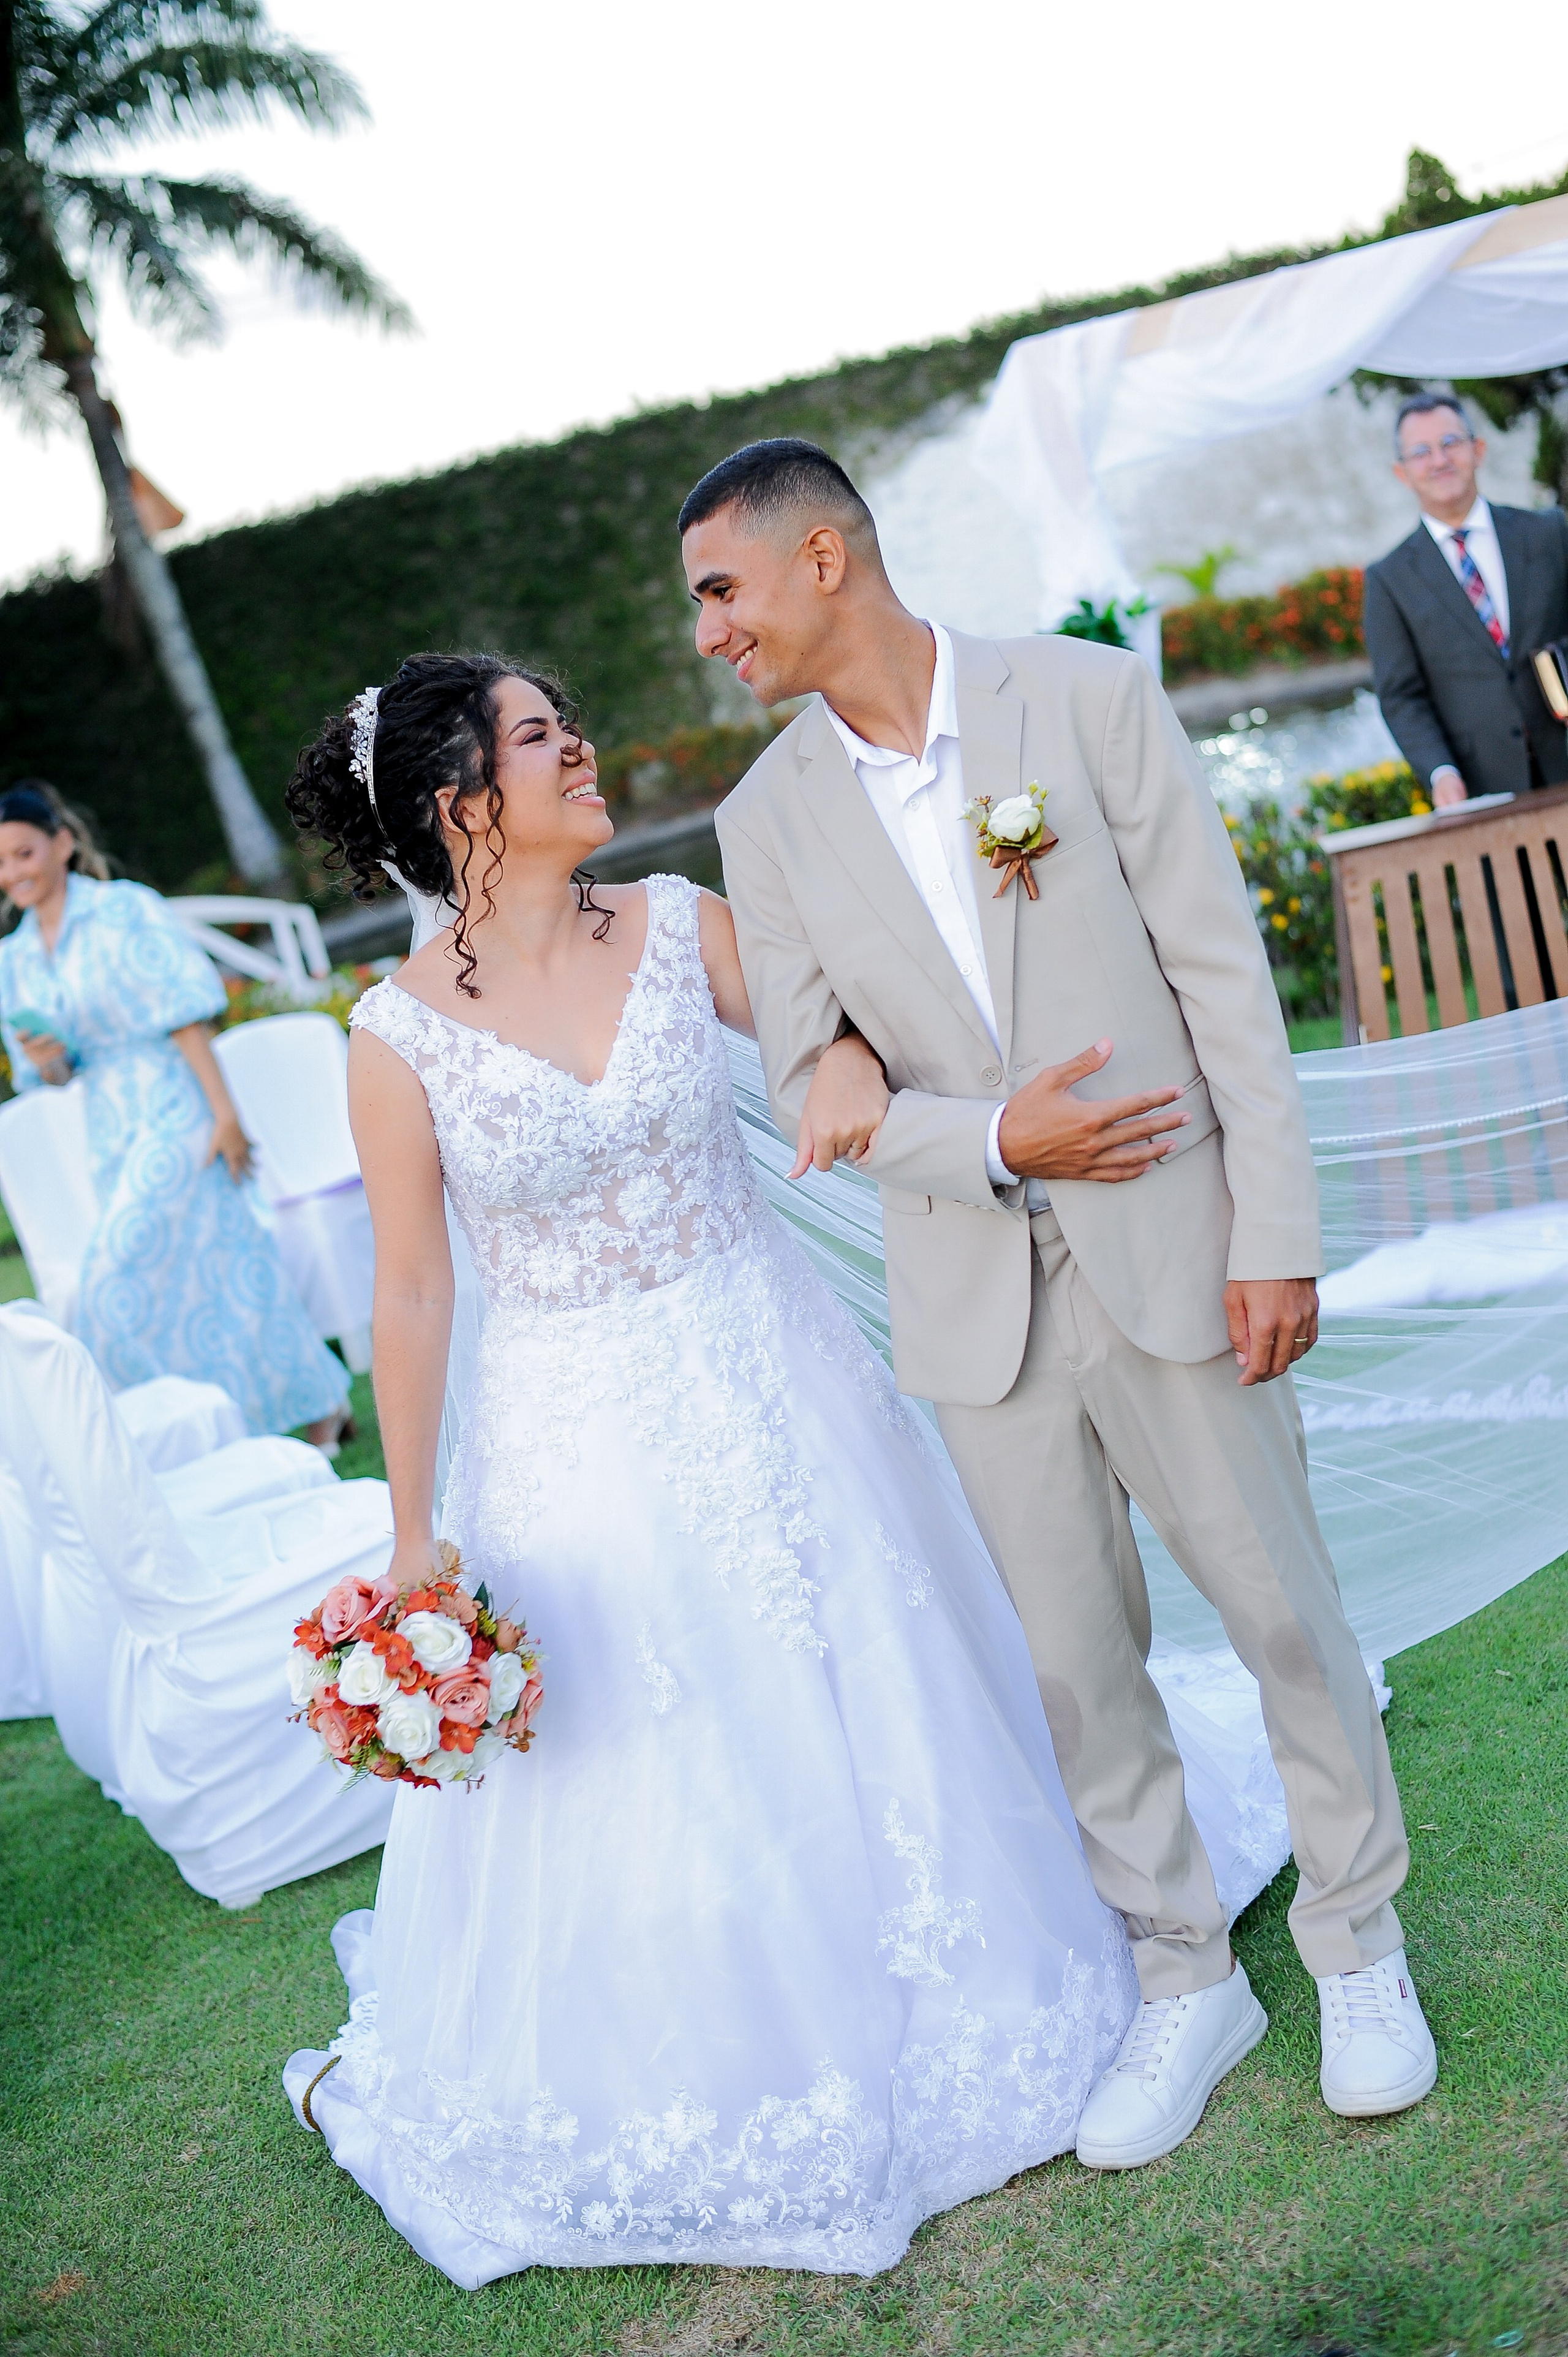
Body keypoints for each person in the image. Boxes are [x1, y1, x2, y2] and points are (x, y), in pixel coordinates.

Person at [279, 650, 1139, 2284]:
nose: (580, 742)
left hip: (774, 1363)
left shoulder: (681, 920)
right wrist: (410, 1532)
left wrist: (856, 1060)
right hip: (571, 1440)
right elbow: (410, 1285)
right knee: (655, 1741)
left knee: (873, 1664)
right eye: (540, 734)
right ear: (465, 803)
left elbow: (849, 1033)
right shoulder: (393, 1035)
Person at [684, 438, 1438, 2171]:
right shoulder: (763, 824)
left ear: (821, 561)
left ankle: (1357, 1941)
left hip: (1183, 1251)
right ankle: (1185, 1969)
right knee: (1081, 1670)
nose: (709, 635)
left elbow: (1220, 976)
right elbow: (818, 1078)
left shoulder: (1084, 702)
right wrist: (992, 1135)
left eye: (721, 590)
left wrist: (1278, 1229)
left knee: (1283, 1611)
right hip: (980, 1307)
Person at [0, 781, 350, 1443]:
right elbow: (53, 1076)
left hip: (174, 1105)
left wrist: (224, 1115)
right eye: (1, 862)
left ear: (64, 843)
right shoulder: (13, 957)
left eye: (24, 852)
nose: (13, 872)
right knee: (216, 1271)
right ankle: (289, 1416)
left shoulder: (123, 909)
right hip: (106, 1122)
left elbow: (185, 1015)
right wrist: (48, 1056)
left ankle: (192, 1431)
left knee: (109, 1281)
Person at [1365, 392, 1568, 806]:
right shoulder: (1389, 579)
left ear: (1478, 450)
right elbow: (1401, 696)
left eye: (1450, 443)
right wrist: (1440, 771)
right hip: (1484, 790)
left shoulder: (1549, 532)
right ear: (1402, 472)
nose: (1439, 460)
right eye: (1421, 452)